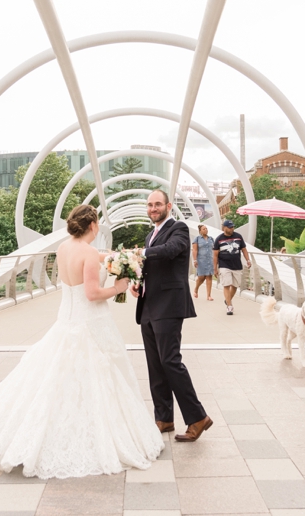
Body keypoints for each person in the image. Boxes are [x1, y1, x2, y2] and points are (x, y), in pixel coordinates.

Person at [0, 204, 163, 478]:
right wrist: (119, 287)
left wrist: (116, 256)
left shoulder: (64, 248)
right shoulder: (89, 254)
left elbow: (87, 269)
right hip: (91, 323)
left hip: (66, 321)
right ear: (92, 225)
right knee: (98, 380)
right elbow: (92, 293)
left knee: (55, 379)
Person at [130, 189, 212, 442]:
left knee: (170, 361)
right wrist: (138, 282)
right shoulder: (149, 235)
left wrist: (141, 253)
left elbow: (170, 250)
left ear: (168, 206)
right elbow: (152, 267)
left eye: (157, 204)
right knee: (155, 365)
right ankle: (163, 418)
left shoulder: (179, 229)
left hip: (169, 305)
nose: (153, 208)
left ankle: (197, 417)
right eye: (149, 205)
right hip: (148, 305)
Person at [213, 219, 251, 316]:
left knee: (234, 286)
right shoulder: (219, 239)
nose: (232, 229)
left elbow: (244, 249)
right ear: (224, 228)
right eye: (229, 227)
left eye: (232, 227)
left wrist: (248, 260)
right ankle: (229, 306)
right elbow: (215, 255)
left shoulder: (238, 237)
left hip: (237, 265)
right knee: (226, 285)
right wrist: (215, 268)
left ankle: (227, 299)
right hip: (224, 265)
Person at [192, 224, 215, 300]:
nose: (206, 230)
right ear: (200, 231)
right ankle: (196, 289)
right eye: (204, 229)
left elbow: (214, 250)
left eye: (206, 228)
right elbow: (194, 250)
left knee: (209, 276)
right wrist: (195, 260)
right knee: (201, 277)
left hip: (210, 260)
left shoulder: (211, 239)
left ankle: (209, 295)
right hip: (200, 261)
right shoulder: (197, 239)